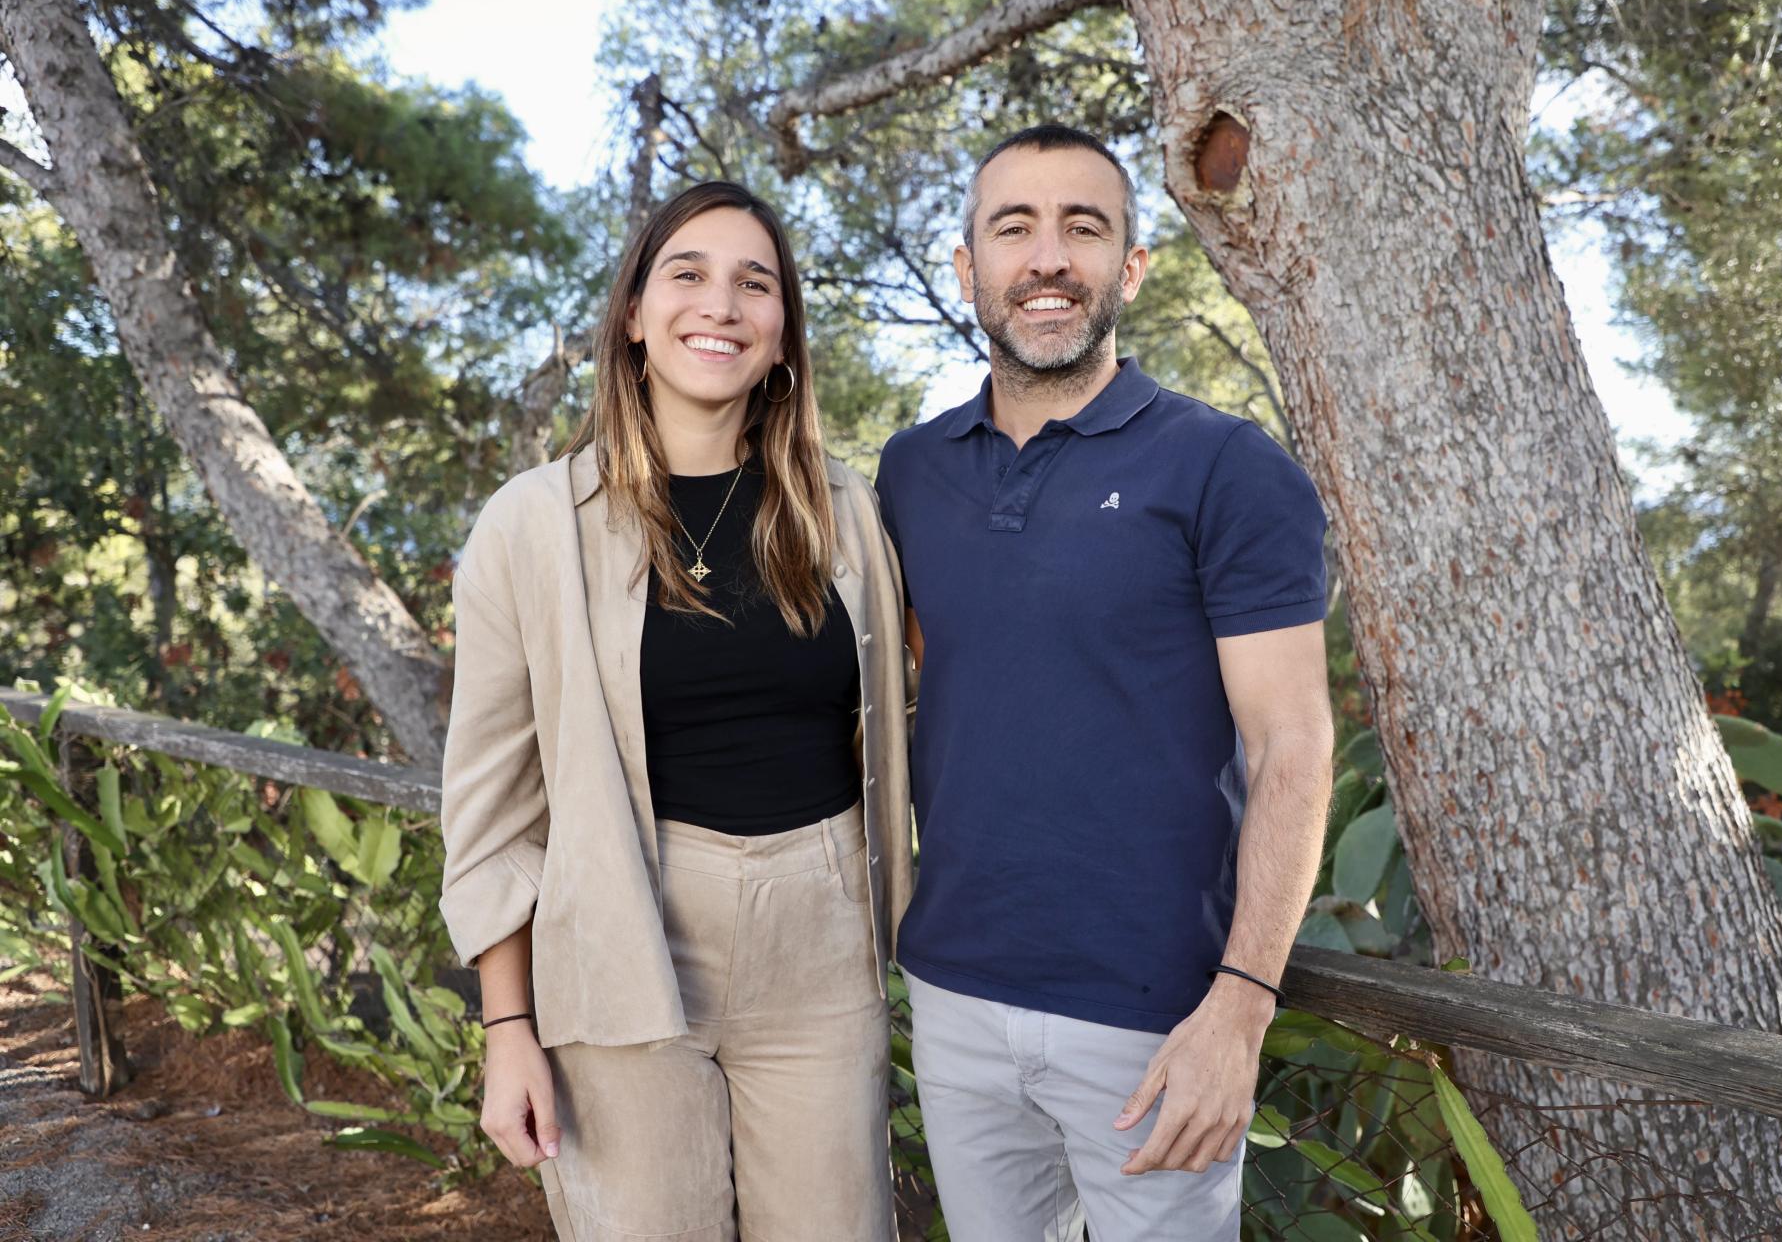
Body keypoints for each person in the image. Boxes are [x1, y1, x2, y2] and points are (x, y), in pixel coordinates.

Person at [875, 124, 1336, 1241]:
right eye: (1013, 228)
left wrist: (1240, 1005)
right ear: (968, 268)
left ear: (1129, 268)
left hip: (1154, 1018)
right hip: (952, 990)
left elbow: (1292, 745)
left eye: (1082, 228)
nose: (1047, 258)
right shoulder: (909, 471)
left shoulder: (1225, 466)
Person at [437, 180, 912, 1242]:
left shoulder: (845, 512)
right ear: (632, 316)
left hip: (822, 941)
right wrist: (507, 1027)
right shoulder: (533, 525)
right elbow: (491, 809)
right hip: (619, 937)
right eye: (687, 274)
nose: (721, 305)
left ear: (782, 332)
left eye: (755, 283)